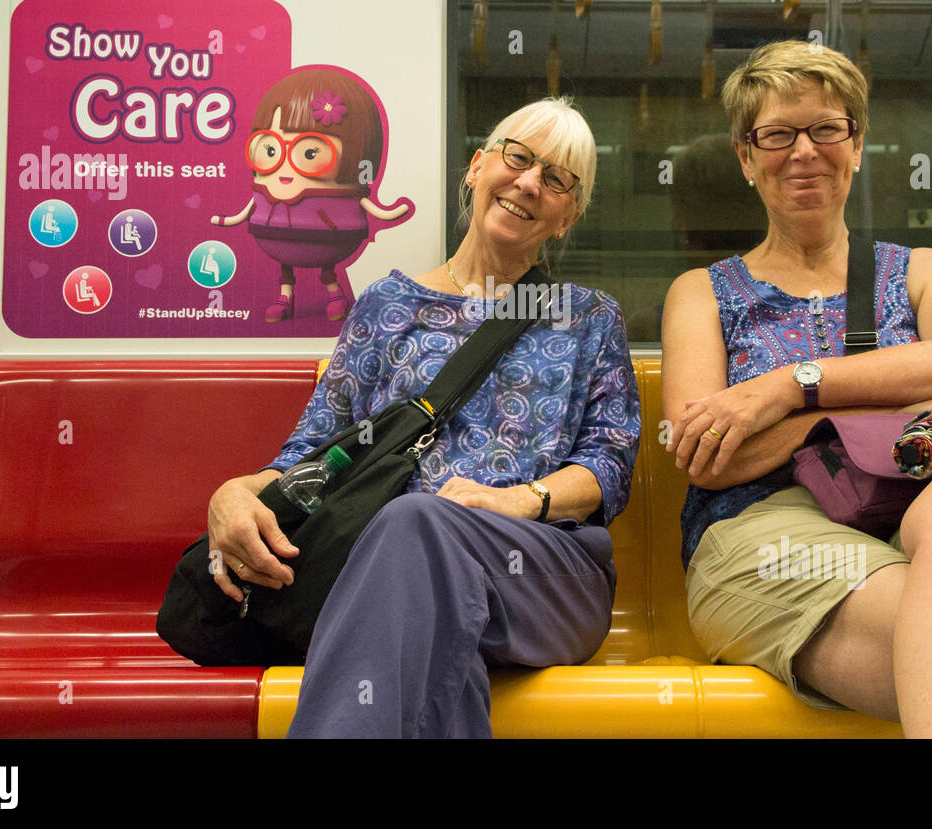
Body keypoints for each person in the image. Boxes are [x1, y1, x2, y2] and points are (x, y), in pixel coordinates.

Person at [661, 39, 932, 738]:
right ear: (746, 156)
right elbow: (710, 454)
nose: (804, 151)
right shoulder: (702, 294)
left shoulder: (923, 269)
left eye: (826, 128)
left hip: (914, 512)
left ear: (856, 143)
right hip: (762, 532)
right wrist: (902, 394)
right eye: (778, 135)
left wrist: (792, 388)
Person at [206, 96, 640, 738]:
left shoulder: (587, 316)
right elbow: (314, 450)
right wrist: (228, 496)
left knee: (416, 528)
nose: (527, 183)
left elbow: (610, 465)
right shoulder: (386, 304)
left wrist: (520, 501)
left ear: (566, 216)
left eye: (555, 179)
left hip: (546, 573)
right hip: (400, 577)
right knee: (428, 612)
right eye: (516, 158)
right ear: (476, 167)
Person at [211, 66, 412, 323]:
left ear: (355, 154)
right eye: (270, 150)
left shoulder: (352, 182)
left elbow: (371, 205)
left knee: (326, 267)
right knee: (286, 267)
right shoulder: (265, 194)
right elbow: (247, 209)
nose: (284, 167)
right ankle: (285, 298)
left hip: (330, 233)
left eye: (308, 153)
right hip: (274, 233)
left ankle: (334, 294)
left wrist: (389, 212)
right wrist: (228, 219)